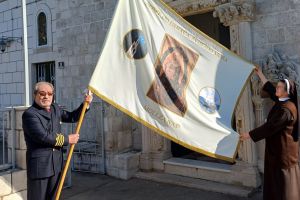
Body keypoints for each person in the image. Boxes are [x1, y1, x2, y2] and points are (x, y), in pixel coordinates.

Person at [22, 81, 93, 200]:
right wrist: (67, 139)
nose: (46, 96)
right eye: (42, 93)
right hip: (40, 167)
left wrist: (86, 104)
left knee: (54, 197)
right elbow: (43, 137)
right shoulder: (30, 114)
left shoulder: (55, 108)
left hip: (56, 165)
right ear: (35, 95)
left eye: (50, 94)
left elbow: (72, 117)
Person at [240, 67, 300, 200]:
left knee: (283, 185)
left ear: (286, 92)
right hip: (278, 150)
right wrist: (259, 73)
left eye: (279, 87)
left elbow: (270, 127)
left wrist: (249, 135)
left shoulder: (286, 110)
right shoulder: (282, 101)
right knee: (276, 182)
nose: (276, 88)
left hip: (283, 154)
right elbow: (271, 90)